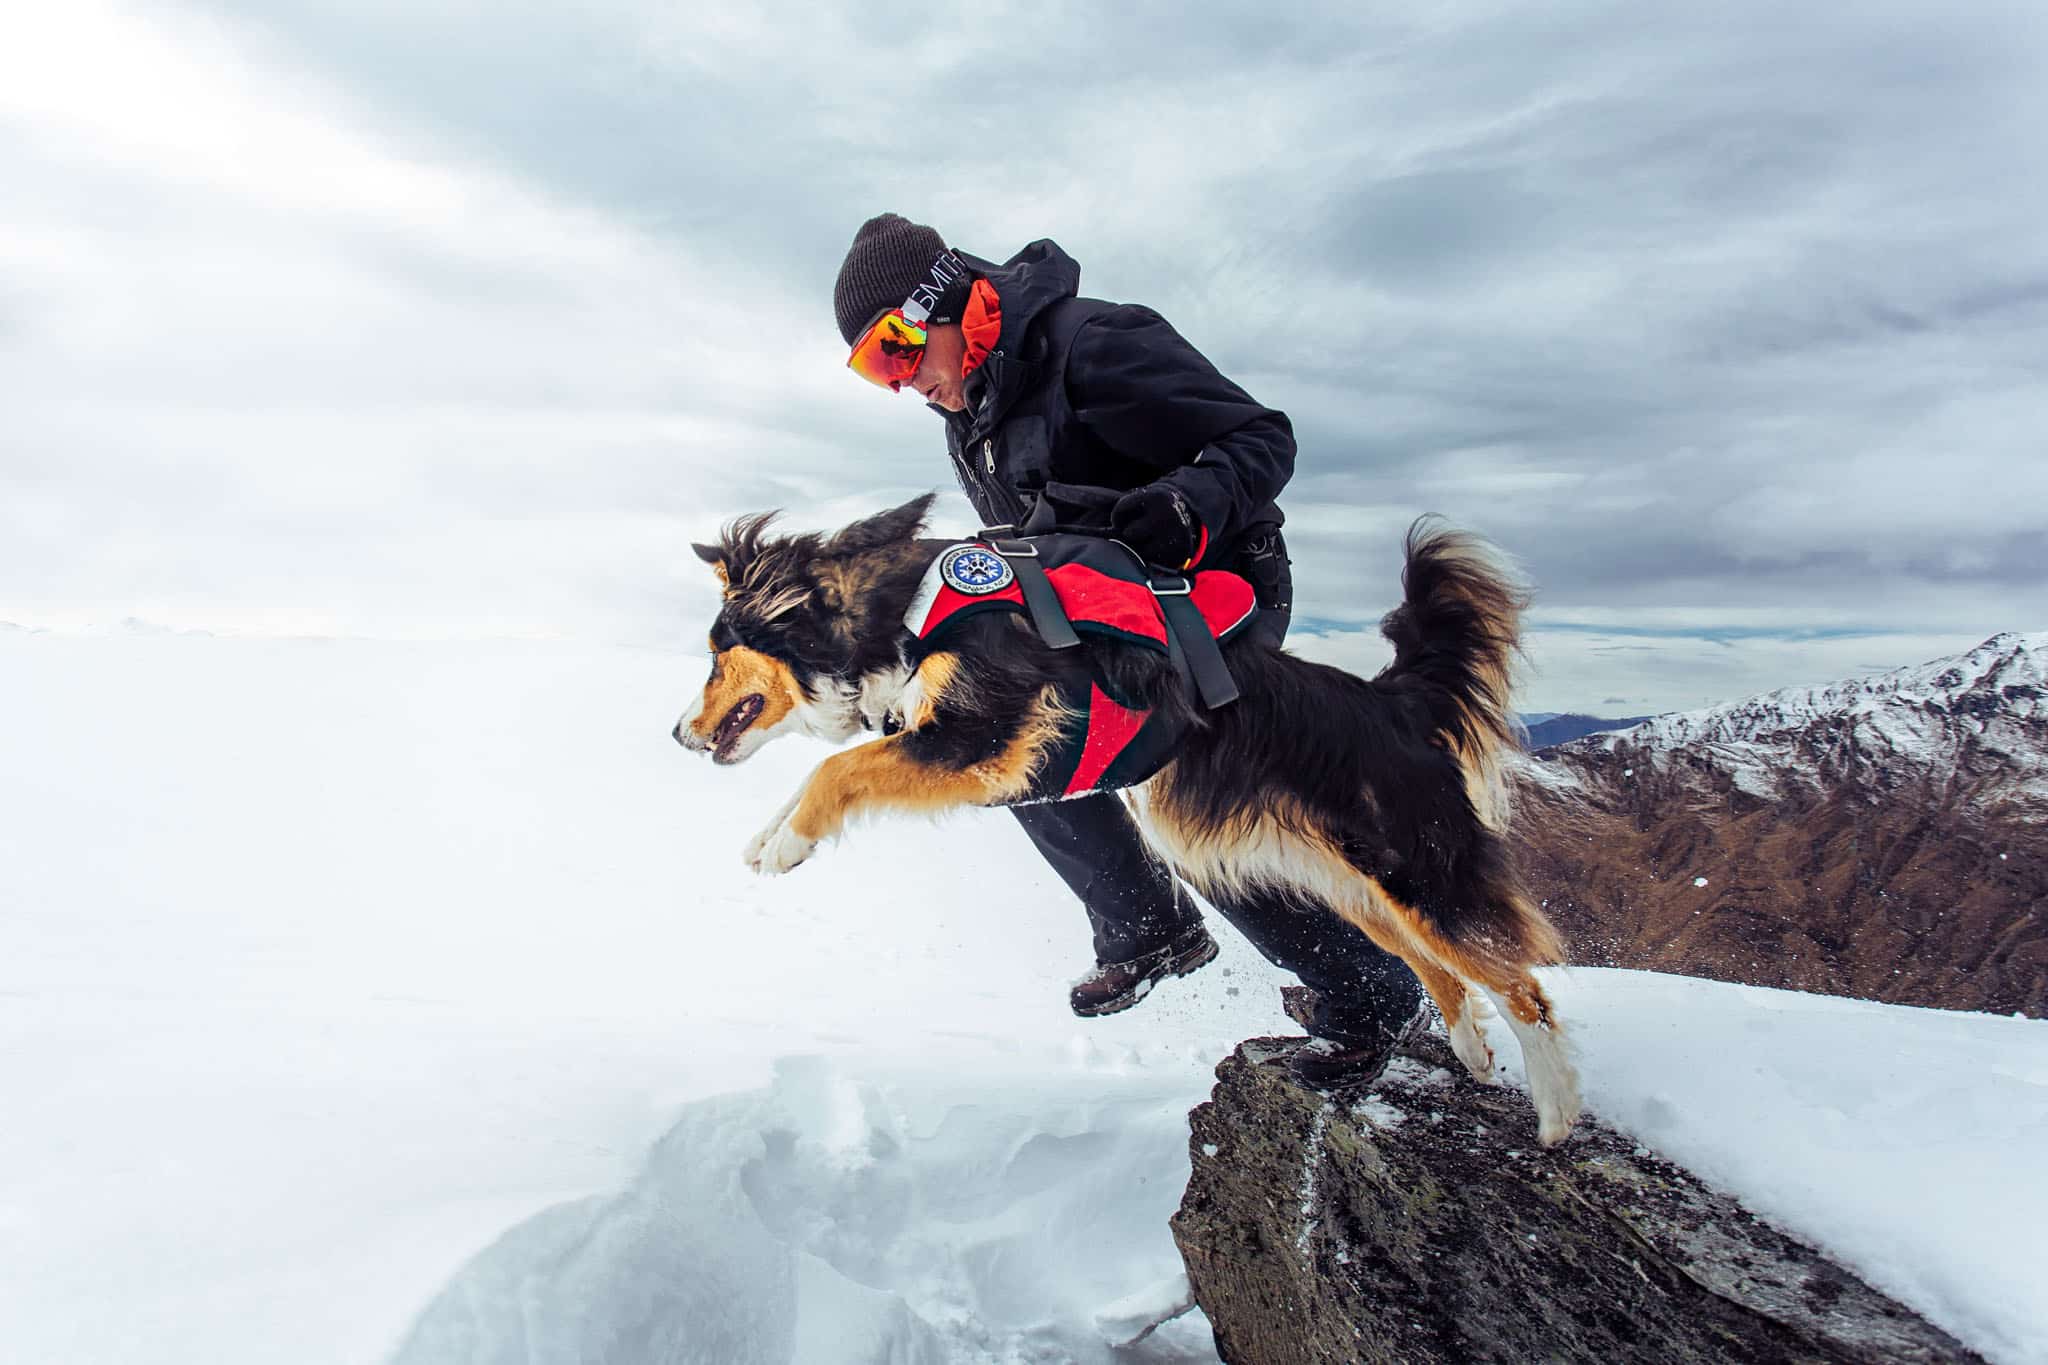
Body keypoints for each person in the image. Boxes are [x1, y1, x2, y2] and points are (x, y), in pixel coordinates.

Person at [831, 213, 1427, 1084]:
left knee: (1193, 799)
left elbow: (1264, 439)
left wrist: (1186, 504)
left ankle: (1370, 996)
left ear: (939, 303)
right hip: (1103, 609)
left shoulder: (1097, 344)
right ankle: (1150, 928)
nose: (898, 382)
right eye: (872, 370)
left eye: (893, 351)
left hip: (1215, 590)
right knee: (995, 740)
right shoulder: (974, 404)